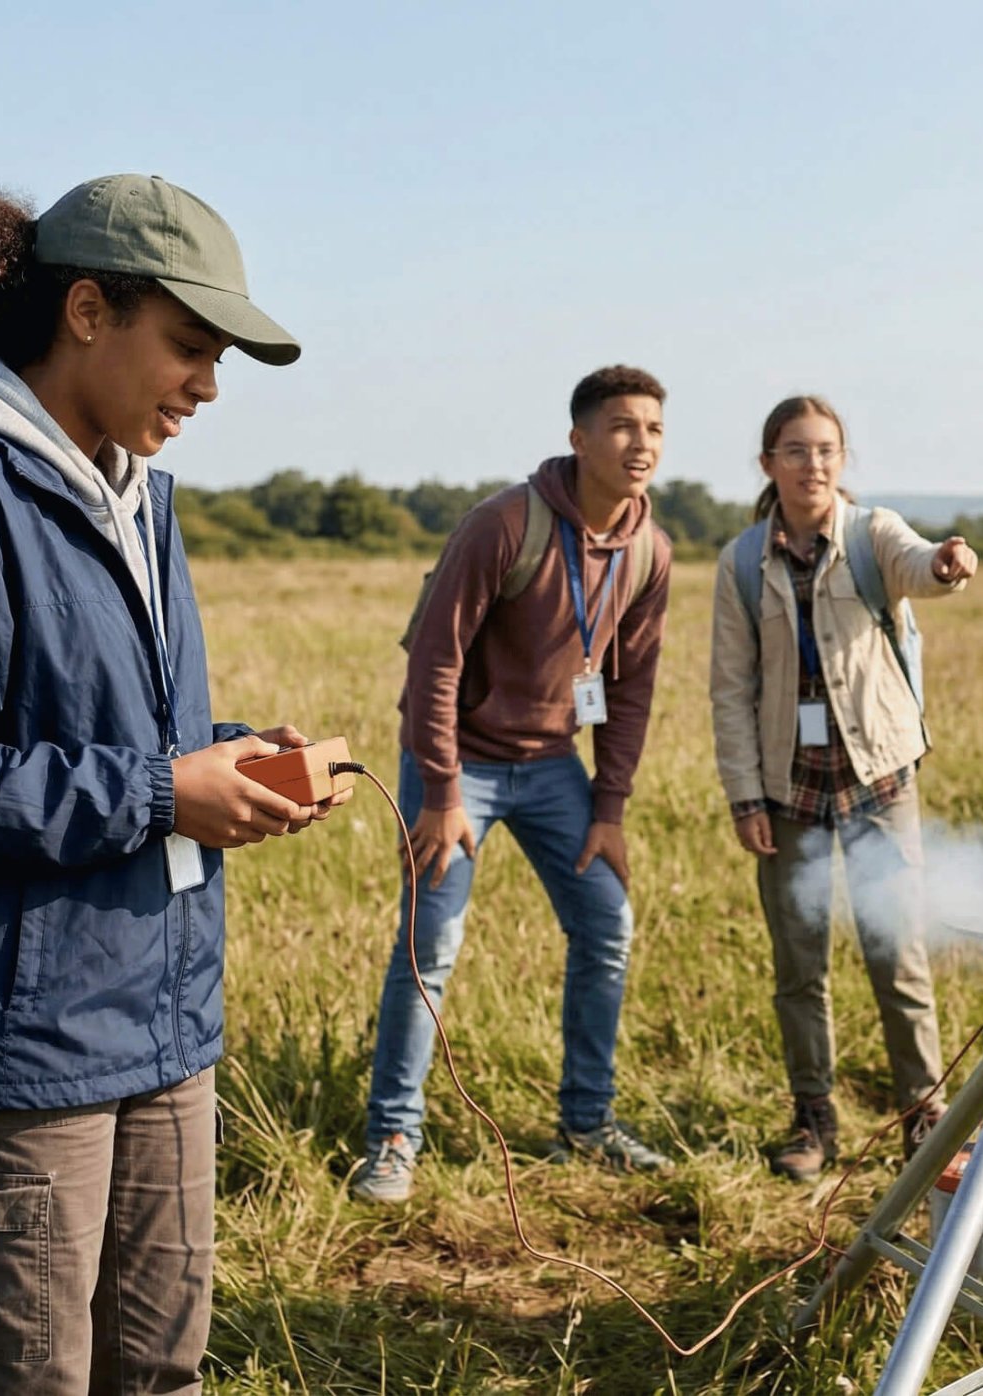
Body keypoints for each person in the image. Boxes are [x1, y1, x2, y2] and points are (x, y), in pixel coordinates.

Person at [0, 176, 330, 1393]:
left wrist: (227, 759)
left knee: (161, 1370)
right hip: (16, 1049)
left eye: (219, 359)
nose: (207, 386)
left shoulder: (138, 498)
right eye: (190, 346)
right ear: (89, 310)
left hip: (162, 1023)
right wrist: (163, 791)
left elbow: (104, 732)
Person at [352, 366, 676, 1204]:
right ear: (579, 439)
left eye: (653, 429)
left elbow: (631, 688)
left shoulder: (650, 551)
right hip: (458, 765)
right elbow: (434, 661)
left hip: (552, 767)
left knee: (607, 925)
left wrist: (609, 809)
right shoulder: (505, 523)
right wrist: (442, 793)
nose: (641, 443)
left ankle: (587, 1124)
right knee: (431, 946)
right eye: (622, 426)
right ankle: (393, 1137)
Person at [707, 395, 978, 1182]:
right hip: (788, 789)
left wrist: (948, 563)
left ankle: (924, 1116)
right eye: (795, 451)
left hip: (878, 781)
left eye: (826, 449)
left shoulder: (871, 534)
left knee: (898, 955)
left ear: (843, 458)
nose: (813, 464)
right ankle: (813, 1118)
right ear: (769, 464)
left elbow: (920, 564)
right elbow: (731, 688)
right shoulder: (740, 563)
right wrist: (745, 797)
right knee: (800, 965)